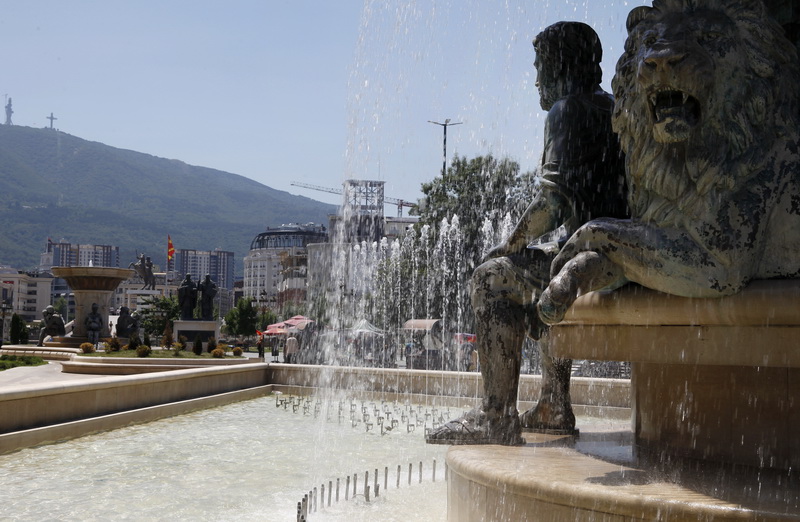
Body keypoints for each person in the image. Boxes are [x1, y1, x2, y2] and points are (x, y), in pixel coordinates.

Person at [427, 21, 627, 445]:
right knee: (552, 262)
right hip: (620, 257)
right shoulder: (612, 107)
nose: (536, 79)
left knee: (490, 277)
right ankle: (553, 405)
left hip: (594, 266)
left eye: (539, 66)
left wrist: (510, 244)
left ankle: (495, 416)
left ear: (560, 65)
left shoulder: (567, 110)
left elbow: (552, 202)